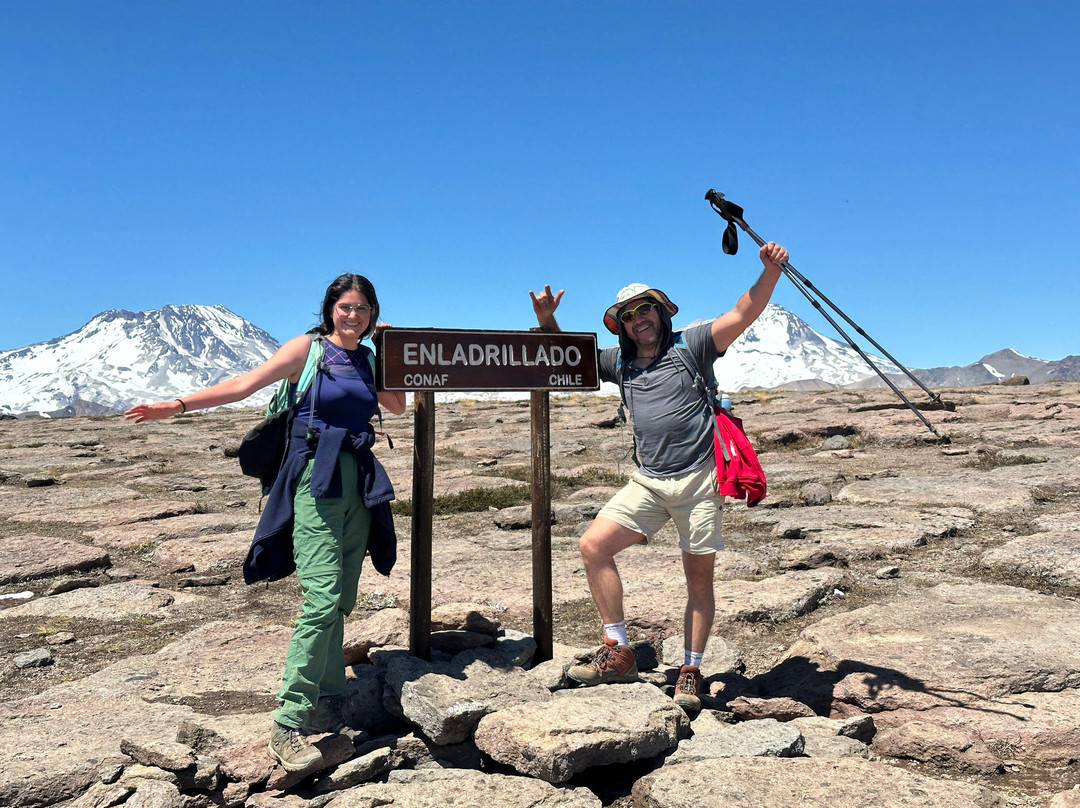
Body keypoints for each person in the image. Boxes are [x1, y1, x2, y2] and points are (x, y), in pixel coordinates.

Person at [125, 274, 406, 771]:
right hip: (315, 481)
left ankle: (328, 690)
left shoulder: (367, 358)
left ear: (372, 313)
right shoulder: (308, 349)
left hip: (358, 482)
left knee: (341, 596)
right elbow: (244, 384)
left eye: (362, 308)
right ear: (330, 309)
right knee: (320, 597)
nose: (353, 315)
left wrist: (388, 349)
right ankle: (289, 720)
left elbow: (396, 404)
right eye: (345, 307)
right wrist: (179, 405)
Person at [529, 241, 789, 712]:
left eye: (645, 309)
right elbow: (569, 356)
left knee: (698, 580)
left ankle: (690, 670)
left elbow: (743, 311)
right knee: (593, 545)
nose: (638, 319)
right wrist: (548, 322)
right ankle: (619, 650)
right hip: (648, 482)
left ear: (661, 313)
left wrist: (769, 271)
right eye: (628, 315)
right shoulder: (618, 361)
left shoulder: (692, 345)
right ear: (622, 324)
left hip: (697, 481)